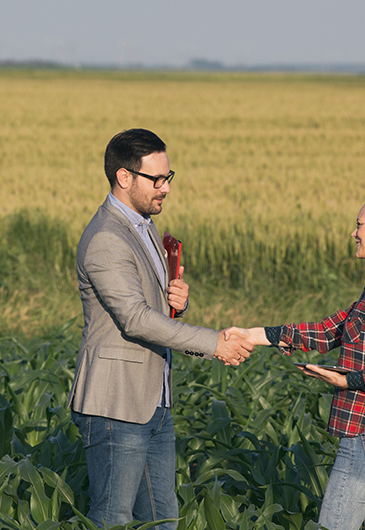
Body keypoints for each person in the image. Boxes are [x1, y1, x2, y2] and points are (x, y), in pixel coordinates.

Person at [67, 128, 254, 529]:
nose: (166, 188)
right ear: (124, 177)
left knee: (161, 519)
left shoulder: (144, 226)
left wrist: (176, 303)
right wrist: (213, 343)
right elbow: (135, 319)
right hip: (117, 404)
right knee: (112, 519)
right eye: (157, 179)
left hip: (155, 400)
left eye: (169, 177)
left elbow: (153, 312)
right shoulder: (105, 238)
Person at [227, 194, 365, 530]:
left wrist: (346, 381)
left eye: (359, 225)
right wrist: (256, 334)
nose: (354, 233)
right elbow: (331, 330)